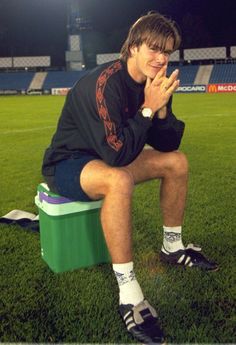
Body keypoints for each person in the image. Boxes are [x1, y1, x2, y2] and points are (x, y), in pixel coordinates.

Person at [42, 12, 218, 344]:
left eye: (166, 51)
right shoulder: (104, 83)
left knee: (176, 162)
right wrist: (147, 109)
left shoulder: (155, 82)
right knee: (118, 180)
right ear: (133, 47)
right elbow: (116, 157)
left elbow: (167, 144)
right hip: (70, 163)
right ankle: (128, 291)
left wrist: (161, 108)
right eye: (153, 49)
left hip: (109, 154)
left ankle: (173, 246)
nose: (161, 58)